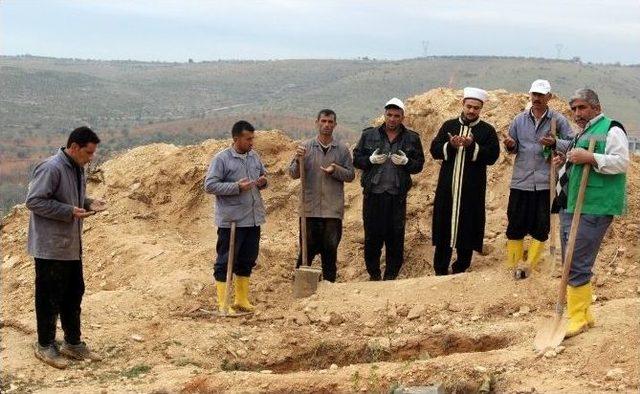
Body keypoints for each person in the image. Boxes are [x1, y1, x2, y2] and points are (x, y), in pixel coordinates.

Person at [26, 126, 106, 369]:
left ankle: (72, 342)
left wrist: (89, 202)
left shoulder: (77, 168)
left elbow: (70, 199)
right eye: (88, 153)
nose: (91, 158)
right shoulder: (51, 167)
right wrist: (69, 212)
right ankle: (45, 345)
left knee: (73, 294)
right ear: (74, 148)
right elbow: (35, 201)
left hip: (71, 245)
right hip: (50, 246)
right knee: (49, 297)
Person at [552, 88, 628, 338]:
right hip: (572, 203)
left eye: (582, 107)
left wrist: (590, 157)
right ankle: (584, 313)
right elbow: (580, 163)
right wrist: (565, 162)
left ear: (596, 107)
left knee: (576, 261)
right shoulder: (581, 132)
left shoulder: (612, 129)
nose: (577, 113)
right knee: (570, 260)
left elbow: (621, 162)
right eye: (573, 109)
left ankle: (576, 317)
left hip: (594, 204)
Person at [503, 79, 574, 276]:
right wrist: (509, 145)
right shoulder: (518, 120)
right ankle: (513, 266)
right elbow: (513, 147)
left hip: (545, 182)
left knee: (541, 225)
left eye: (541, 95)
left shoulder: (557, 121)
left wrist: (554, 143)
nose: (537, 98)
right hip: (521, 180)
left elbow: (572, 144)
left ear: (549, 97)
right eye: (534, 94)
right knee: (515, 222)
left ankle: (530, 267)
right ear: (530, 95)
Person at [353, 98, 425, 280]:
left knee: (395, 238)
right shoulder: (369, 135)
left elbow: (419, 165)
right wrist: (369, 160)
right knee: (372, 238)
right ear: (384, 115)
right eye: (389, 115)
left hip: (397, 196)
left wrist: (407, 162)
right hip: (373, 195)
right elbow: (356, 159)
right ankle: (374, 276)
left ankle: (390, 278)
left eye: (396, 116)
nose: (392, 119)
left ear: (402, 117)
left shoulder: (411, 138)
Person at [430, 88, 500, 275]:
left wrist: (473, 146)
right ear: (462, 104)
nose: (471, 111)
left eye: (476, 108)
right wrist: (450, 145)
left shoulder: (487, 130)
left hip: (471, 191)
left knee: (467, 228)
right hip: (448, 189)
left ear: (481, 108)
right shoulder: (448, 126)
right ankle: (440, 270)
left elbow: (493, 156)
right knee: (444, 228)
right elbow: (435, 150)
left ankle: (461, 268)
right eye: (469, 106)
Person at [204, 120, 267, 313]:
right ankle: (223, 303)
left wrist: (263, 182)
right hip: (232, 221)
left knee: (247, 259)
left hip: (252, 219)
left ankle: (241, 300)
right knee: (225, 261)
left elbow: (263, 176)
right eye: (248, 139)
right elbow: (210, 185)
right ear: (236, 139)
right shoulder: (222, 159)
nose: (251, 142)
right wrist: (236, 187)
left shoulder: (254, 157)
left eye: (252, 138)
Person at [289, 109, 355, 282]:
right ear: (317, 122)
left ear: (335, 124)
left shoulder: (341, 150)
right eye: (323, 121)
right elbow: (293, 173)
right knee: (306, 252)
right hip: (309, 210)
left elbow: (350, 175)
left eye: (330, 122)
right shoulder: (305, 148)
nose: (326, 125)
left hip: (332, 211)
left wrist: (336, 170)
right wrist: (298, 160)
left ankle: (329, 289)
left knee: (330, 252)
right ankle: (301, 287)